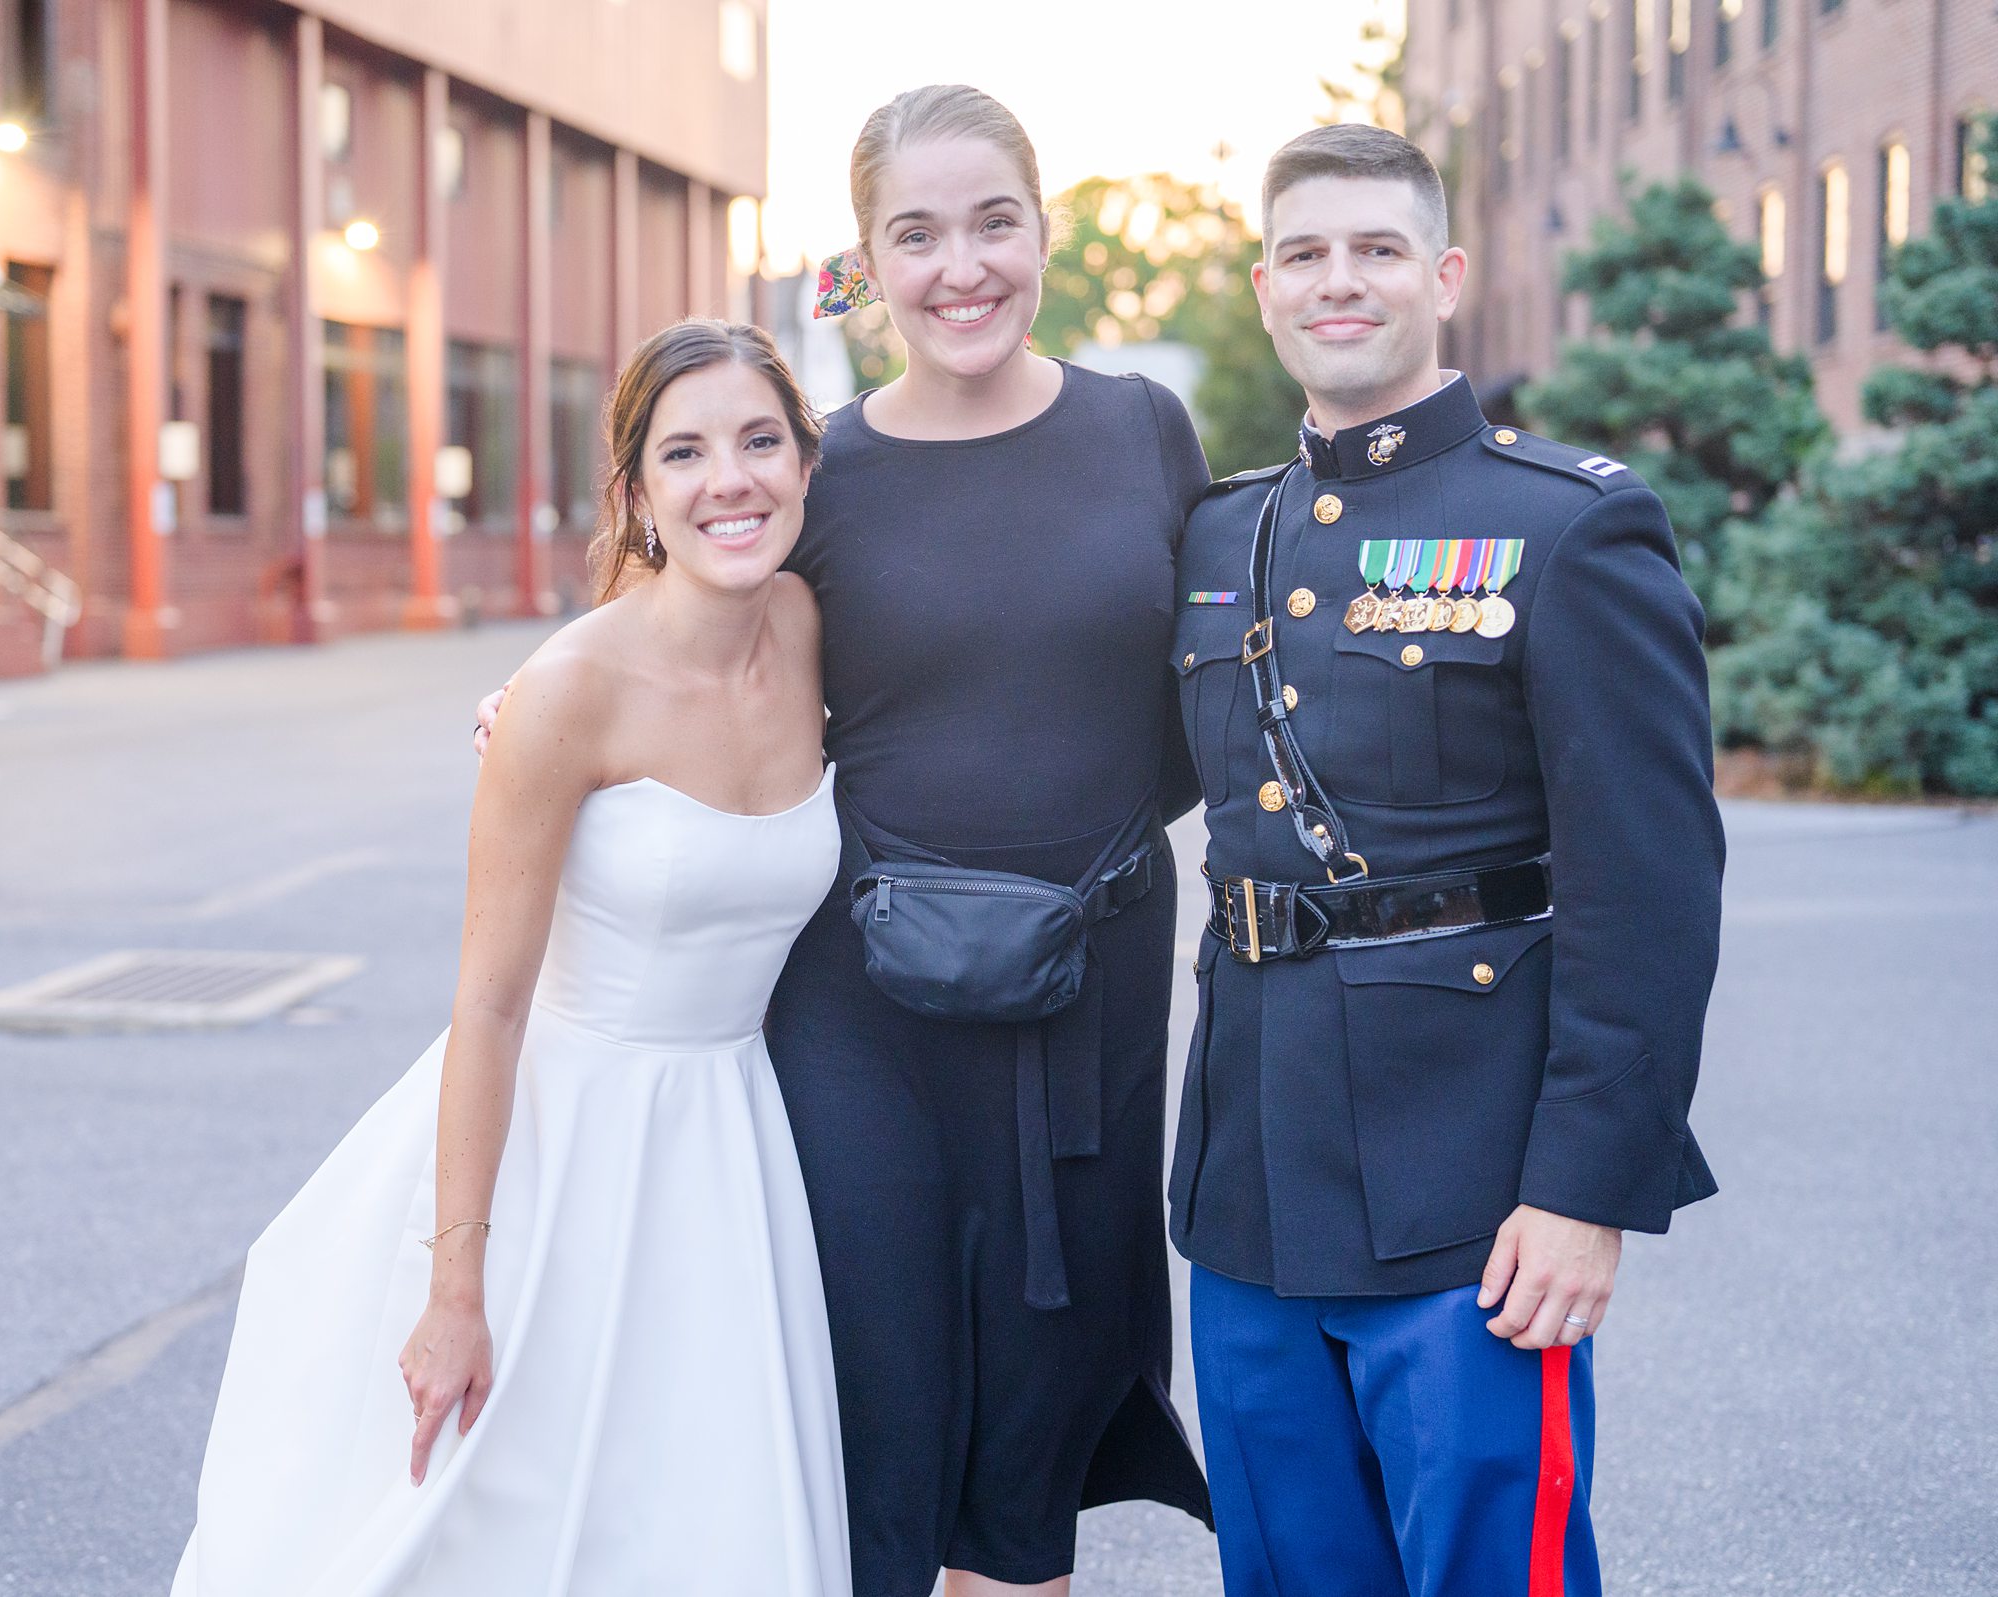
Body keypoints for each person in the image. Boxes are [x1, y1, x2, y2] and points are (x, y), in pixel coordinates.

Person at [483, 84, 1212, 1597]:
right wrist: (538, 693)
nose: (963, 267)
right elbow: (680, 613)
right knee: (864, 1428)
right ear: (866, 263)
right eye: (918, 234)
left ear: (1042, 229)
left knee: (1033, 1440)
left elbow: (1201, 697)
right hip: (863, 1015)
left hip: (1092, 997)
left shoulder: (1144, 430)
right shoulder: (819, 470)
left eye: (992, 223)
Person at [172, 320, 851, 1597]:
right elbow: (486, 1005)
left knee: (705, 1515)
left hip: (732, 1148)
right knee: (505, 1532)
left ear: (809, 463)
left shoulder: (811, 627)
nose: (731, 480)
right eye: (686, 452)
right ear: (640, 493)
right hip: (563, 1149)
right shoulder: (569, 690)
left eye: (762, 441)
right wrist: (455, 1290)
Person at [1166, 123, 1723, 1597]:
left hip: (1474, 1195)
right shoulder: (1226, 533)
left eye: (1375, 249)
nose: (1336, 281)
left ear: (1445, 277)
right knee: (1288, 1573)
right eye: (1304, 253)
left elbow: (1647, 890)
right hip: (1250, 1193)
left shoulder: (1567, 528)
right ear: (1269, 287)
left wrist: (1586, 1188)